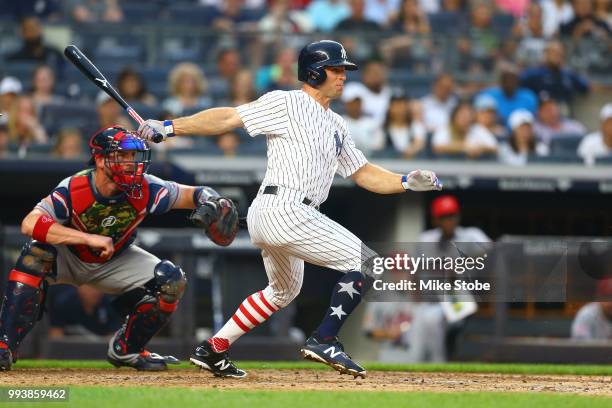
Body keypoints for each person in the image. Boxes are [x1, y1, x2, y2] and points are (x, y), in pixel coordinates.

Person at [138, 40, 442, 379]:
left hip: (282, 212)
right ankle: (324, 338)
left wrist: (404, 181)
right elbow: (228, 117)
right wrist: (169, 127)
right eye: (336, 69)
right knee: (367, 263)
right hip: (286, 207)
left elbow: (364, 173)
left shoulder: (338, 125)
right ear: (313, 71)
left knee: (283, 291)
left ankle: (214, 347)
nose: (343, 76)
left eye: (344, 70)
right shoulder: (287, 102)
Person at [0, 126, 239, 371]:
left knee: (172, 281)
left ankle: (127, 349)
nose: (130, 163)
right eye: (122, 156)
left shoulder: (147, 188)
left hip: (115, 258)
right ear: (101, 160)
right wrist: (86, 238)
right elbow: (30, 224)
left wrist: (213, 201)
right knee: (35, 253)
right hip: (69, 256)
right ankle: (5, 346)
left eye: (133, 157)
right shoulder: (75, 187)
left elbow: (196, 193)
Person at [520, 41, 590, 108]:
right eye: (554, 53)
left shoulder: (568, 74)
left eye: (560, 53)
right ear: (546, 54)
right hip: (540, 114)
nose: (558, 56)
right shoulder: (534, 73)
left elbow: (585, 87)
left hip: (564, 115)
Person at [48, 284, 122, 338]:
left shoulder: (110, 304)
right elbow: (56, 334)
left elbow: (114, 336)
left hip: (100, 351)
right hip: (70, 350)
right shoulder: (64, 303)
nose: (95, 292)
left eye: (99, 287)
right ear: (79, 287)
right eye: (91, 287)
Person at [479, 63, 538, 128]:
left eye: (512, 79)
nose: (509, 83)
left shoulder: (528, 97)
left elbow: (535, 119)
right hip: (495, 131)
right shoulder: (489, 95)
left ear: (518, 81)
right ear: (501, 81)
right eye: (506, 79)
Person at [432, 101, 497, 159]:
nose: (466, 120)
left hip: (472, 169)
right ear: (454, 117)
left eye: (469, 116)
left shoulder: (477, 129)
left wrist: (480, 148)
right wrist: (464, 147)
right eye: (463, 117)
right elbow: (437, 147)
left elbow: (494, 147)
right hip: (446, 168)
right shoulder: (445, 128)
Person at [342, 60, 392, 127]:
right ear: (364, 75)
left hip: (383, 132)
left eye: (379, 72)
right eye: (373, 72)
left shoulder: (391, 94)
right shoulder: (354, 89)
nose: (376, 76)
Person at [341, 86, 384, 156]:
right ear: (346, 104)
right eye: (351, 103)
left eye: (357, 102)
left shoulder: (372, 123)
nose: (355, 106)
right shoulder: (338, 122)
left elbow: (378, 146)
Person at [383, 92, 426, 158]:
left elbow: (419, 143)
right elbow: (378, 149)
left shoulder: (416, 126)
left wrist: (412, 149)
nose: (399, 110)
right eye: (396, 106)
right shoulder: (382, 129)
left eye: (402, 105)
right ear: (390, 108)